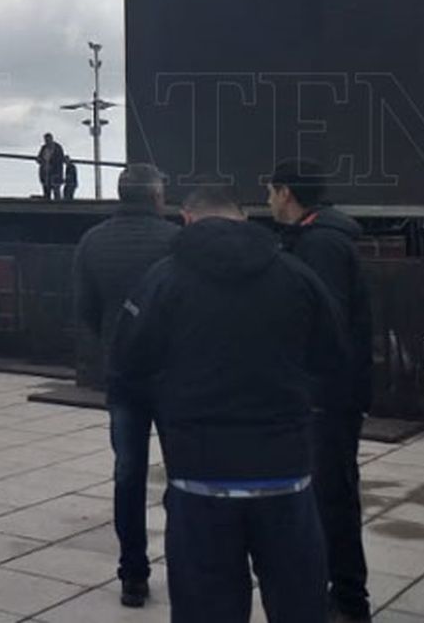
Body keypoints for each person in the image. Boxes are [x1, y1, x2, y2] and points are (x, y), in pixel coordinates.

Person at [113, 181, 346, 623]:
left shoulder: (163, 279)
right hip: (285, 473)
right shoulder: (296, 276)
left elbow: (126, 364)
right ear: (243, 217)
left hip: (198, 477)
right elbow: (334, 356)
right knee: (300, 607)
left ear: (187, 219)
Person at [268, 160, 374, 623]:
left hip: (324, 397)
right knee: (324, 494)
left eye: (270, 191)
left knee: (330, 495)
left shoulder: (320, 246)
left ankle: (348, 601)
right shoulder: (317, 240)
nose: (268, 200)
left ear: (286, 193)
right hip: (326, 393)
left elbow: (319, 324)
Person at [72, 164, 179, 608]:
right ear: (156, 197)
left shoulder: (92, 241)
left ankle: (133, 575)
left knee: (128, 474)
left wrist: (110, 351)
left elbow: (85, 312)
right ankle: (187, 559)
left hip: (124, 374)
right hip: (175, 374)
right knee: (185, 474)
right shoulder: (177, 240)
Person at [36, 133, 66, 200]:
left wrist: (52, 165)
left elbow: (60, 160)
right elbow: (39, 158)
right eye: (46, 140)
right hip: (45, 173)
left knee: (56, 192)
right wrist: (41, 161)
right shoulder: (43, 148)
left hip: (55, 174)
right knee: (46, 191)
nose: (47, 142)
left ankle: (58, 207)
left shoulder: (58, 148)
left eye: (48, 140)